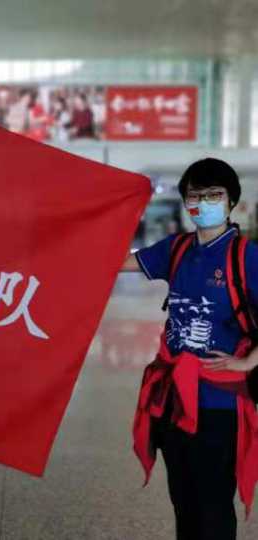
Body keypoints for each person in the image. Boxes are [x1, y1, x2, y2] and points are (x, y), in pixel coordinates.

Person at [121, 158, 258, 540]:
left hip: (219, 402)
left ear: (231, 201)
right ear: (186, 202)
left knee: (213, 507)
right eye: (195, 195)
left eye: (214, 194)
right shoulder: (177, 248)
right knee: (184, 502)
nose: (204, 203)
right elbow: (120, 263)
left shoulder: (246, 257)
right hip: (173, 399)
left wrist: (248, 361)